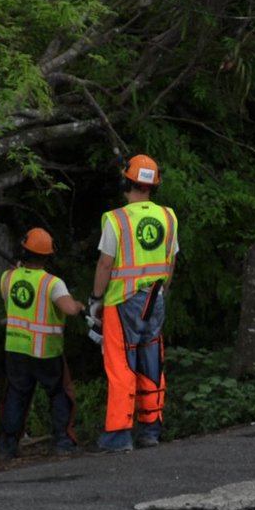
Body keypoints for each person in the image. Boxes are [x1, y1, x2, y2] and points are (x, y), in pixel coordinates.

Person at [90, 154, 179, 452]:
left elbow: (105, 265)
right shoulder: (168, 216)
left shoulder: (116, 219)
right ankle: (150, 431)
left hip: (121, 302)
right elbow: (171, 261)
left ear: (126, 182)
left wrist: (96, 300)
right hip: (155, 299)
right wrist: (160, 291)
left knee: (121, 366)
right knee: (152, 361)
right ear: (153, 185)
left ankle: (118, 435)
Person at [0, 227, 85, 460]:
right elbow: (68, 308)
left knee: (16, 395)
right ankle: (62, 441)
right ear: (48, 255)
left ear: (23, 251)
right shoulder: (52, 283)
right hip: (46, 351)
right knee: (58, 393)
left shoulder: (8, 278)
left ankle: (7, 446)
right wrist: (78, 305)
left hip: (16, 349)